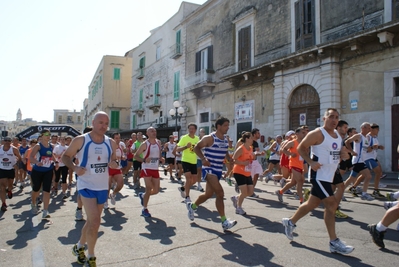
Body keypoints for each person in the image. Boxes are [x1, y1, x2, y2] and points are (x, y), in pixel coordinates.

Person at [281, 108, 354, 255]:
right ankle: (334, 242)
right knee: (331, 204)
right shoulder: (317, 133)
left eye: (336, 118)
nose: (334, 120)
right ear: (324, 118)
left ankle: (290, 222)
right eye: (331, 117)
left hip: (331, 174)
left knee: (312, 203)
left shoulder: (338, 137)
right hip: (319, 174)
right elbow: (302, 148)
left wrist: (344, 155)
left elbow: (337, 153)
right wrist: (310, 162)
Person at [62, 111, 118, 266]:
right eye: (100, 122)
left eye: (106, 123)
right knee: (95, 222)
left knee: (92, 221)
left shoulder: (111, 142)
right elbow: (65, 157)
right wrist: (74, 167)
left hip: (102, 187)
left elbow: (114, 159)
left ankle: (79, 246)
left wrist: (114, 163)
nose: (104, 126)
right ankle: (91, 257)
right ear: (93, 123)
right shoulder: (80, 140)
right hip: (86, 185)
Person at [187, 117, 237, 231]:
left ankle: (192, 206)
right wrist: (203, 159)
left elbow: (225, 153)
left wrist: (229, 159)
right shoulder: (209, 138)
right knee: (220, 193)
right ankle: (224, 221)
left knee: (208, 194)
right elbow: (196, 148)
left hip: (218, 169)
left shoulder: (225, 139)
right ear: (218, 126)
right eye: (225, 125)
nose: (227, 127)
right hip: (208, 169)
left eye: (228, 125)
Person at [29, 129, 60, 218]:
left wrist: (56, 162)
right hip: (37, 171)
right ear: (41, 135)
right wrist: (36, 162)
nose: (48, 136)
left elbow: (52, 155)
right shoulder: (38, 146)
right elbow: (31, 157)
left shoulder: (51, 146)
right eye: (46, 134)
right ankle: (33, 204)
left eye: (49, 134)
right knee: (36, 189)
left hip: (48, 170)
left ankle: (45, 211)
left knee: (47, 191)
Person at [134, 127, 164, 217]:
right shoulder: (145, 144)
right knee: (148, 188)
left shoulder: (158, 142)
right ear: (147, 133)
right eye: (151, 131)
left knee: (156, 190)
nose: (154, 132)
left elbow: (159, 154)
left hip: (155, 168)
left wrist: (161, 158)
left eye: (155, 131)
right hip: (146, 168)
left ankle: (143, 196)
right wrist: (144, 159)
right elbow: (136, 156)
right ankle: (144, 209)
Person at [276, 127, 307, 204]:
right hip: (293, 164)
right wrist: (290, 154)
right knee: (300, 180)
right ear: (297, 134)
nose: (304, 134)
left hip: (300, 164)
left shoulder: (303, 143)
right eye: (302, 133)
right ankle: (301, 200)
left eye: (304, 133)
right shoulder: (293, 142)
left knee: (293, 182)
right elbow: (283, 149)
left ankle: (280, 192)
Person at [344, 122, 374, 201]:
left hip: (362, 160)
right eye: (368, 128)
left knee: (351, 178)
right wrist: (351, 151)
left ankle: (340, 192)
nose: (370, 130)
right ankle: (364, 194)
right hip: (358, 160)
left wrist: (371, 148)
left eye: (370, 128)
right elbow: (347, 142)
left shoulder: (367, 138)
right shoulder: (358, 136)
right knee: (368, 176)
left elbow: (366, 149)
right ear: (363, 128)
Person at [230, 132, 254, 215]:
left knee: (250, 192)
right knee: (244, 192)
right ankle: (238, 208)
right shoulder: (241, 148)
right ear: (246, 139)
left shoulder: (250, 148)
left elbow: (250, 158)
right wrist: (243, 163)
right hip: (239, 172)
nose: (252, 139)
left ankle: (236, 198)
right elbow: (233, 159)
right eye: (251, 138)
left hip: (247, 172)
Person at [176, 123, 200, 203]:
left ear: (195, 130)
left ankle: (183, 188)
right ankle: (187, 197)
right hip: (185, 160)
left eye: (193, 128)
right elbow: (177, 149)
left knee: (194, 180)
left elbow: (199, 149)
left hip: (194, 161)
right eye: (190, 128)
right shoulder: (184, 138)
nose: (191, 130)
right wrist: (186, 147)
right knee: (188, 178)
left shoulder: (197, 138)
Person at [0, 136, 22, 211]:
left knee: (10, 185)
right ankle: (3, 203)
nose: (7, 142)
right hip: (2, 169)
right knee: (2, 187)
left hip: (10, 169)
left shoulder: (14, 149)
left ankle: (9, 190)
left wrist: (16, 164)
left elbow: (20, 158)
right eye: (5, 140)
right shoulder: (0, 148)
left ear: (11, 142)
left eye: (9, 141)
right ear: (3, 141)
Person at [105, 132, 125, 209]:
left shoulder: (120, 146)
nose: (118, 140)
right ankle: (105, 202)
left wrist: (122, 157)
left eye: (119, 138)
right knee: (108, 186)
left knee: (120, 184)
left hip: (117, 168)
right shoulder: (108, 146)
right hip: (109, 168)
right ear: (113, 139)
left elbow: (121, 155)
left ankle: (113, 194)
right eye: (116, 138)